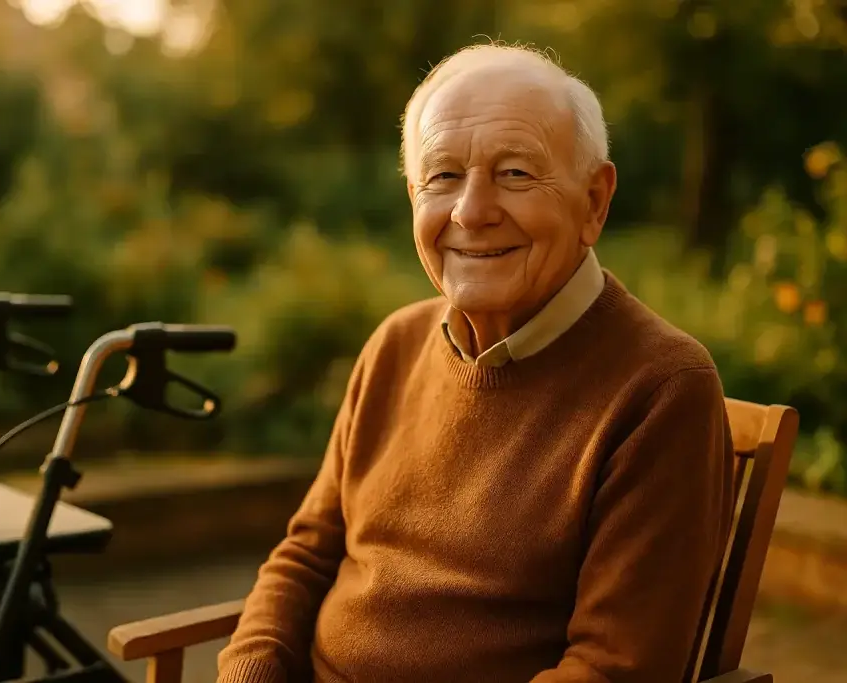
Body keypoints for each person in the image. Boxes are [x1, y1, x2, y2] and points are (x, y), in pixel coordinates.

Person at [217, 42, 735, 683]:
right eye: (442, 177)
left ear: (595, 202)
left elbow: (612, 669)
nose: (471, 211)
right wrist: (251, 670)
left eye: (516, 173)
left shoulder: (662, 388)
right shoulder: (395, 344)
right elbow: (305, 556)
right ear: (414, 197)